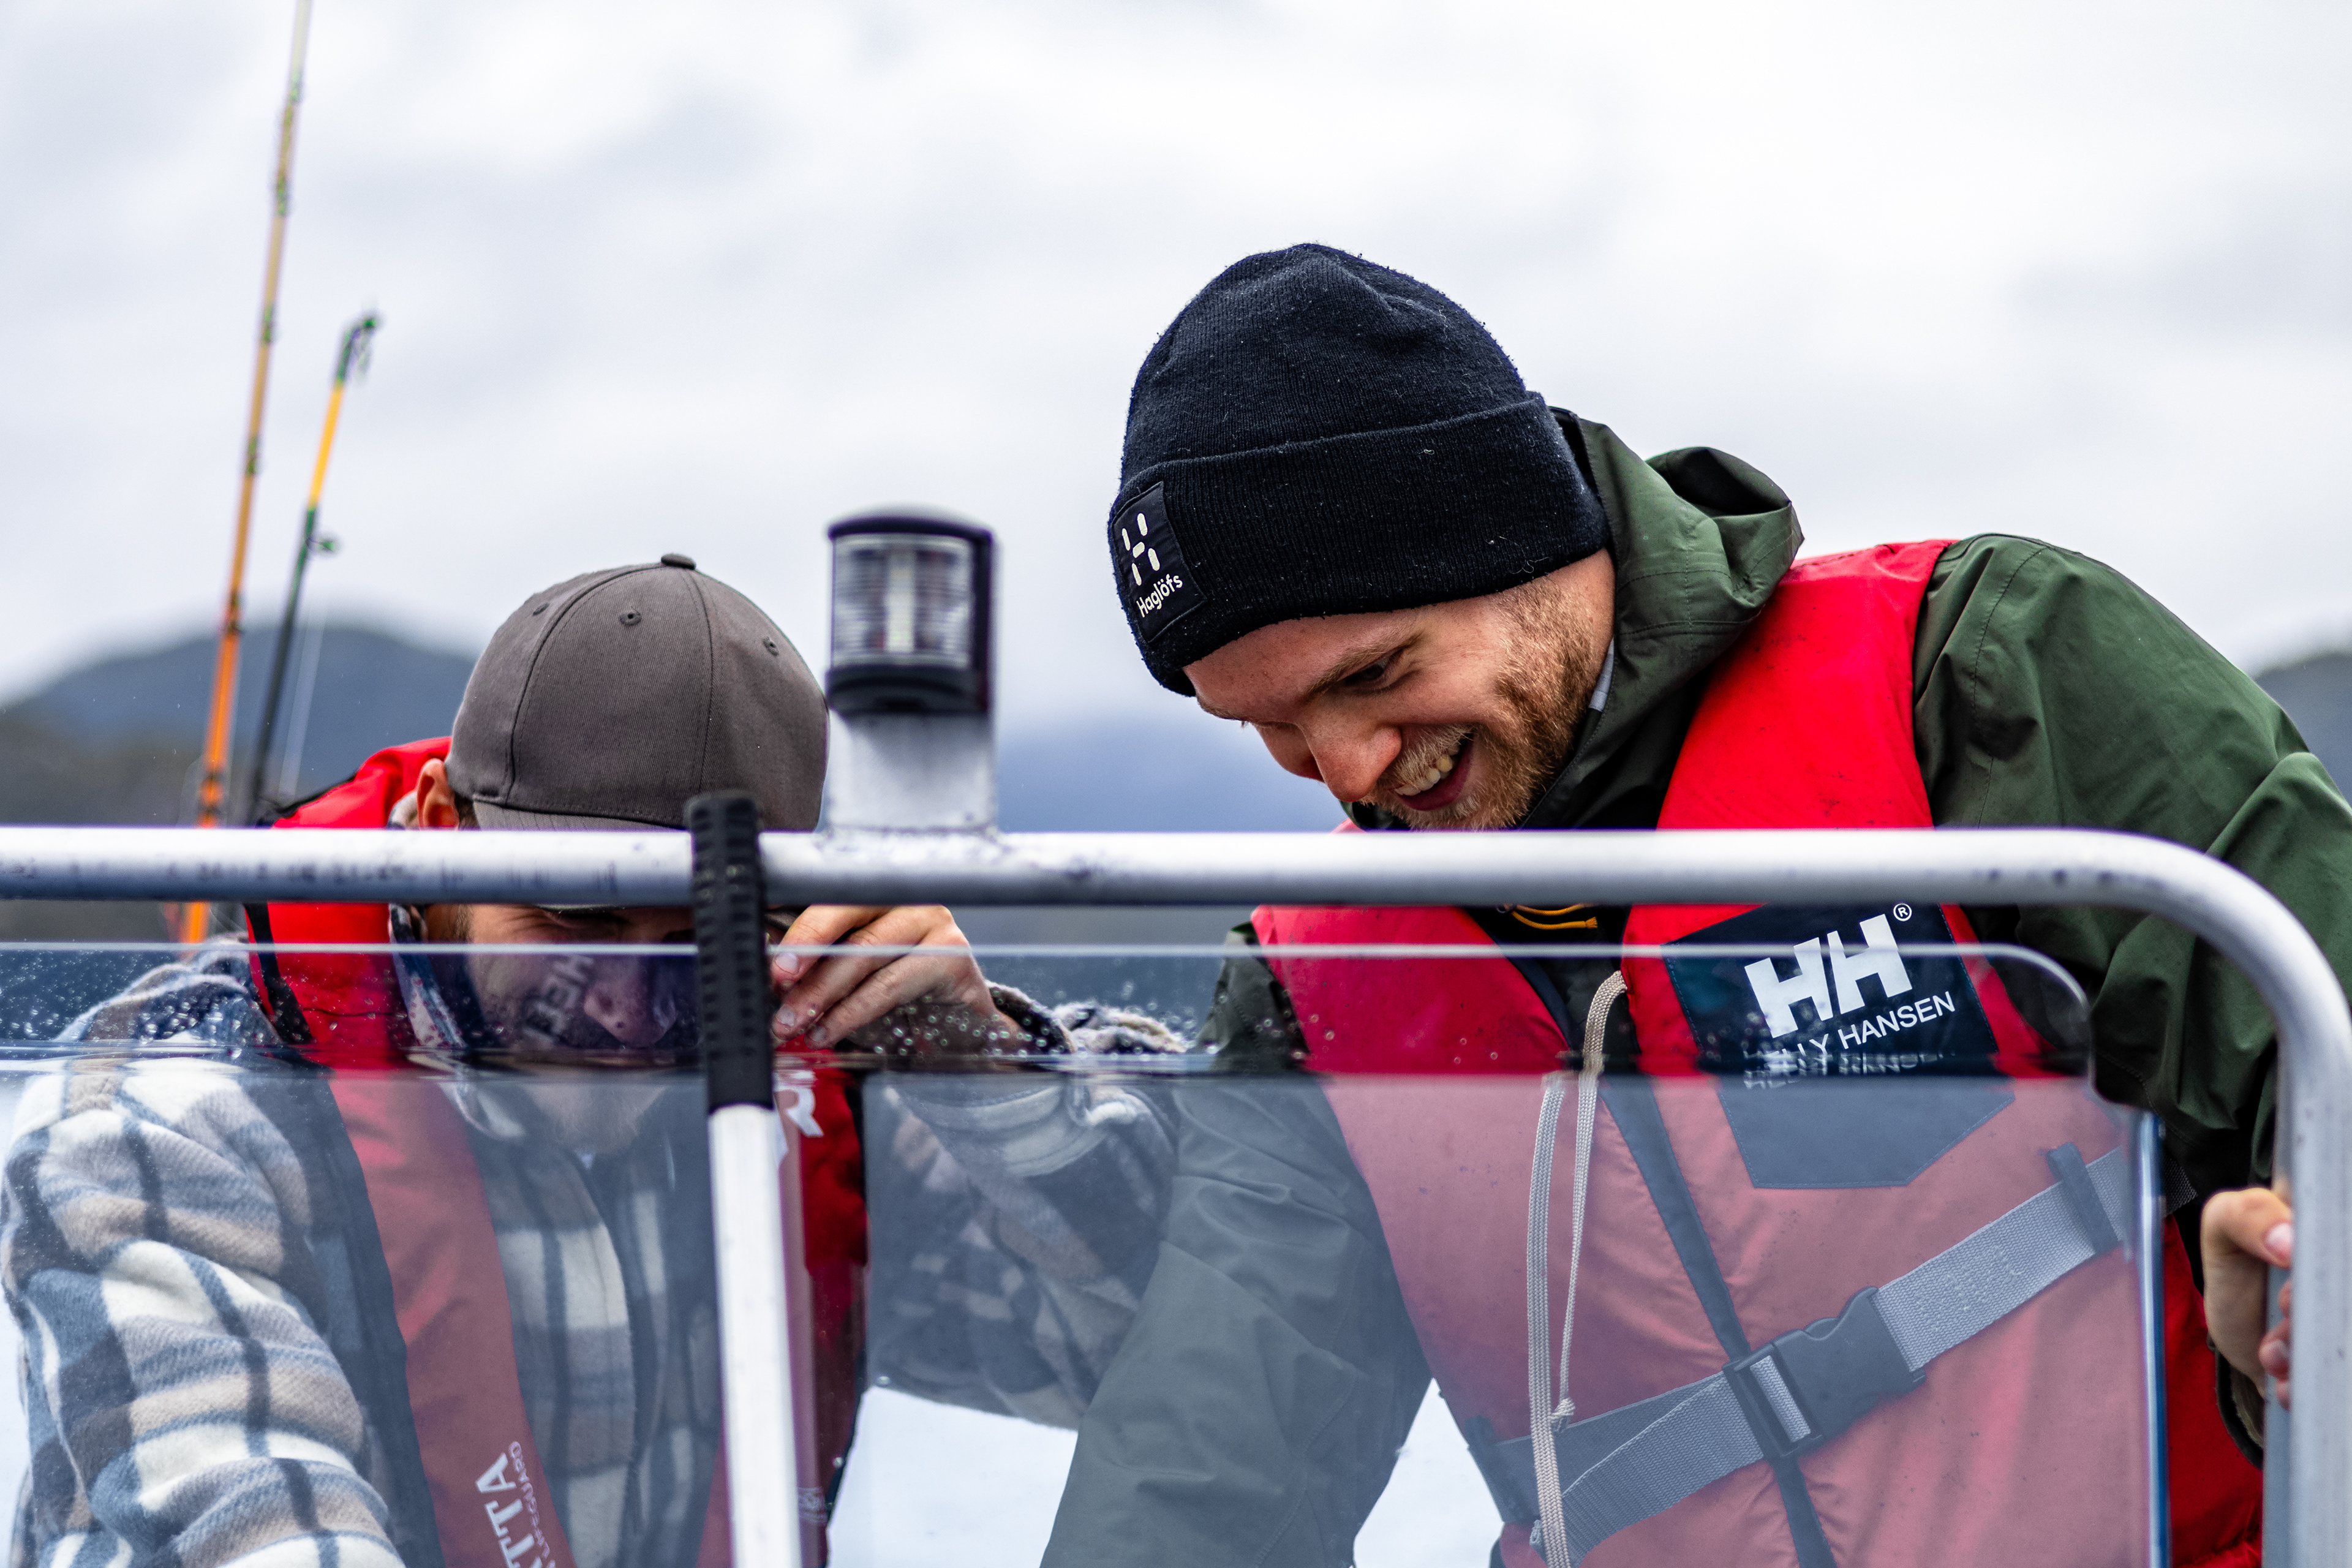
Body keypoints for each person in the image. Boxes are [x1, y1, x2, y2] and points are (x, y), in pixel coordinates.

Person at [1033, 245, 2340, 1567]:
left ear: (1522, 543)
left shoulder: (1983, 672)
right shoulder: (1309, 978)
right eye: (1270, 726)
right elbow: (1202, 1468)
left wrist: (2294, 1290)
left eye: (1376, 673)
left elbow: (2322, 1034)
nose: (1350, 770)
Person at [1, 557, 1181, 1568]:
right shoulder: (153, 1126)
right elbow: (251, 1530)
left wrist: (982, 1078)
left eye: (699, 946)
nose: (621, 1010)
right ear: (441, 826)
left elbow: (1151, 1354)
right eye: (575, 917)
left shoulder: (815, 1091)